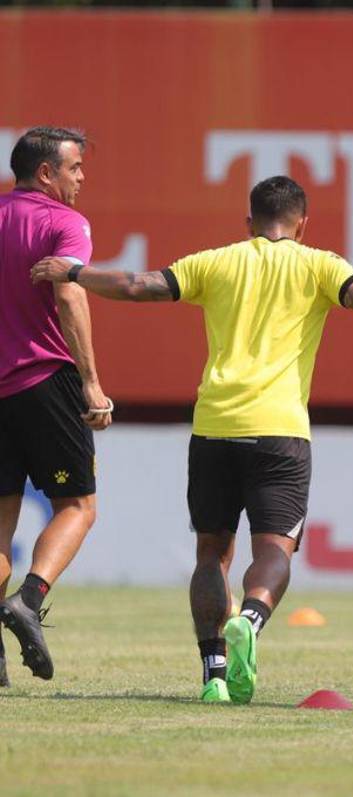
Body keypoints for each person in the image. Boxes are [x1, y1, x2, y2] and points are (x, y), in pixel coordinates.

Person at [32, 175, 353, 703]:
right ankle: (251, 616)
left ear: (248, 222)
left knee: (210, 555)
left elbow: (138, 285)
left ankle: (214, 675)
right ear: (303, 223)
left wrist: (76, 272)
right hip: (279, 431)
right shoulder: (317, 265)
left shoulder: (216, 261)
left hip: (214, 426)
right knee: (274, 549)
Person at [0, 127, 113, 685]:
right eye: (75, 168)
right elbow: (70, 292)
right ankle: (29, 599)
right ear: (46, 173)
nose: (81, 177)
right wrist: (91, 384)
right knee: (78, 507)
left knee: (0, 524)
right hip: (44, 382)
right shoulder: (63, 221)